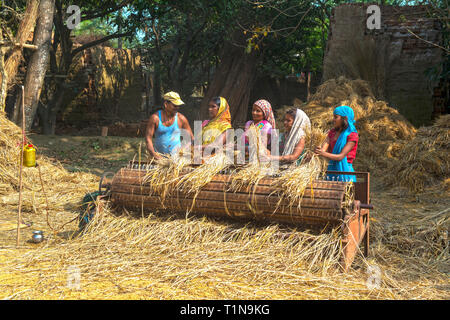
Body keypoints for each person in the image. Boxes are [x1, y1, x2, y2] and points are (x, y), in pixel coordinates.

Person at [314, 105, 358, 182]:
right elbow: (323, 149)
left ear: (345, 118)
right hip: (331, 170)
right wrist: (318, 150)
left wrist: (322, 153)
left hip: (345, 172)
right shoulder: (332, 132)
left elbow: (340, 157)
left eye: (336, 117)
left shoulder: (352, 135)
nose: (333, 119)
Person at [145, 91, 194, 160]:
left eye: (178, 106)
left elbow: (191, 138)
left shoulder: (181, 118)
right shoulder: (155, 118)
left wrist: (184, 150)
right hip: (159, 159)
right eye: (175, 105)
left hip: (177, 159)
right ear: (166, 104)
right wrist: (154, 154)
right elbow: (148, 138)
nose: (177, 108)